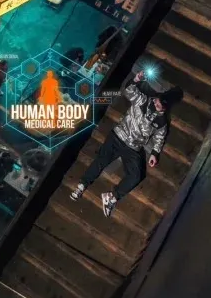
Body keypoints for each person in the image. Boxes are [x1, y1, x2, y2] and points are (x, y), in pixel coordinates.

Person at [70, 69, 170, 217]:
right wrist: (136, 79)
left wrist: (155, 153)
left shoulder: (161, 122)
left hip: (133, 147)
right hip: (118, 136)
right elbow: (129, 90)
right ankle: (82, 185)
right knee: (101, 160)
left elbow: (160, 137)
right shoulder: (142, 101)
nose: (155, 104)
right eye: (156, 101)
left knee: (136, 175)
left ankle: (111, 197)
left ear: (164, 109)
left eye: (159, 105)